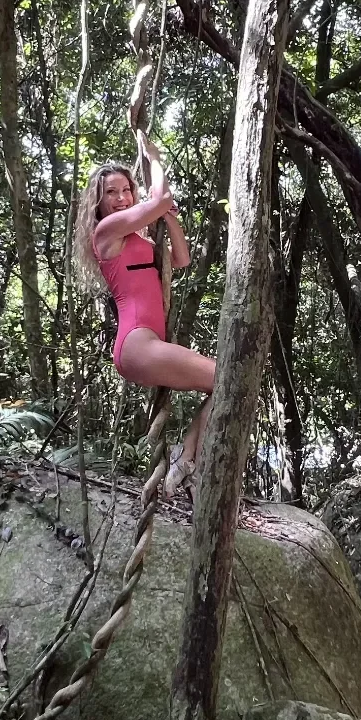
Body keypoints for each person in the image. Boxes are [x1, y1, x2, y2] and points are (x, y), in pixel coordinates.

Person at [71, 156, 213, 496]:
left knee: (223, 384)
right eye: (111, 193)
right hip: (135, 343)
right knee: (225, 379)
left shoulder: (142, 240)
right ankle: (188, 459)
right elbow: (161, 197)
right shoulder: (106, 232)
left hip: (147, 343)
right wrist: (153, 157)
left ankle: (187, 458)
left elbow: (181, 259)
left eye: (127, 190)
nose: (121, 198)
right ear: (99, 201)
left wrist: (168, 219)